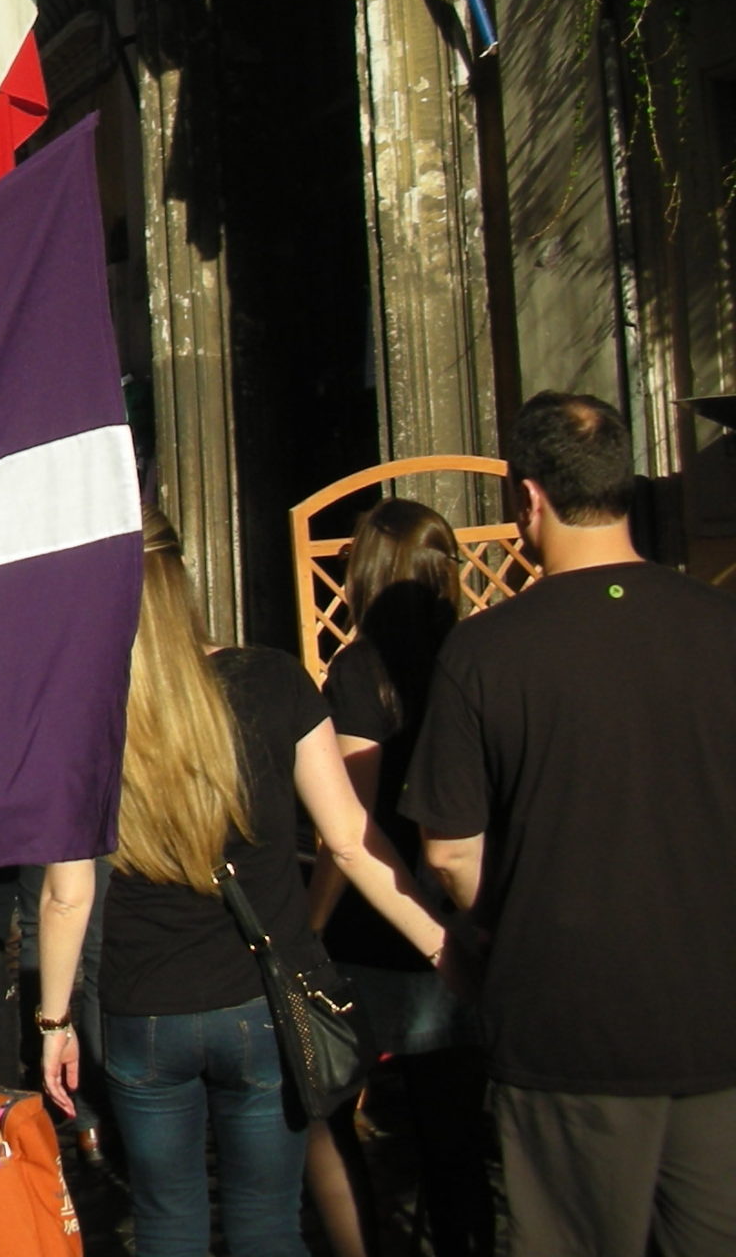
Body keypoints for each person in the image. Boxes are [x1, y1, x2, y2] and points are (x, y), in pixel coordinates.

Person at [31, 509, 448, 1257]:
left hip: (144, 1007)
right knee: (267, 1223)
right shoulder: (274, 680)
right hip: (262, 1001)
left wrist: (55, 1022)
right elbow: (348, 841)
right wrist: (443, 944)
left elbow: (67, 896)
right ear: (183, 575)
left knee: (167, 1221)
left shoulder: (80, 710)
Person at [404, 392, 736, 1257]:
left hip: (565, 1018)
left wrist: (494, 925)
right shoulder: (722, 624)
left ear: (530, 497)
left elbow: (451, 850)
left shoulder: (486, 650)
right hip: (717, 1009)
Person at [303, 499, 492, 1257]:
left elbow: (350, 825)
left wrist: (311, 926)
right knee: (454, 1134)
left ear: (368, 575)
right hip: (463, 911)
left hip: (376, 926)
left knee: (330, 1113)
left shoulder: (361, 669)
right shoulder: (476, 657)